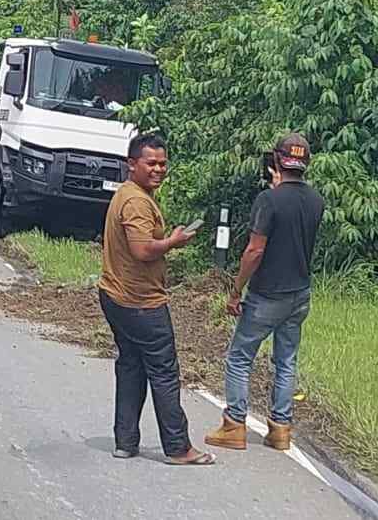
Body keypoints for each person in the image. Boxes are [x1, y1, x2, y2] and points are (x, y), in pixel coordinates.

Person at [98, 133, 212, 465]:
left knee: (131, 367)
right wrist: (172, 242)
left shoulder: (130, 194)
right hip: (140, 302)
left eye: (163, 163)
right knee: (163, 372)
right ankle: (178, 448)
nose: (159, 169)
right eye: (151, 163)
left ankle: (125, 441)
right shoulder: (135, 202)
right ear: (131, 164)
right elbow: (142, 249)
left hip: (115, 296)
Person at [205, 133, 324, 452]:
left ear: (276, 161)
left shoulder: (268, 201)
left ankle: (234, 424)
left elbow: (255, 250)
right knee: (286, 361)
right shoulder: (316, 200)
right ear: (305, 163)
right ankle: (280, 429)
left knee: (239, 357)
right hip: (300, 294)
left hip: (267, 294)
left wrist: (235, 290)